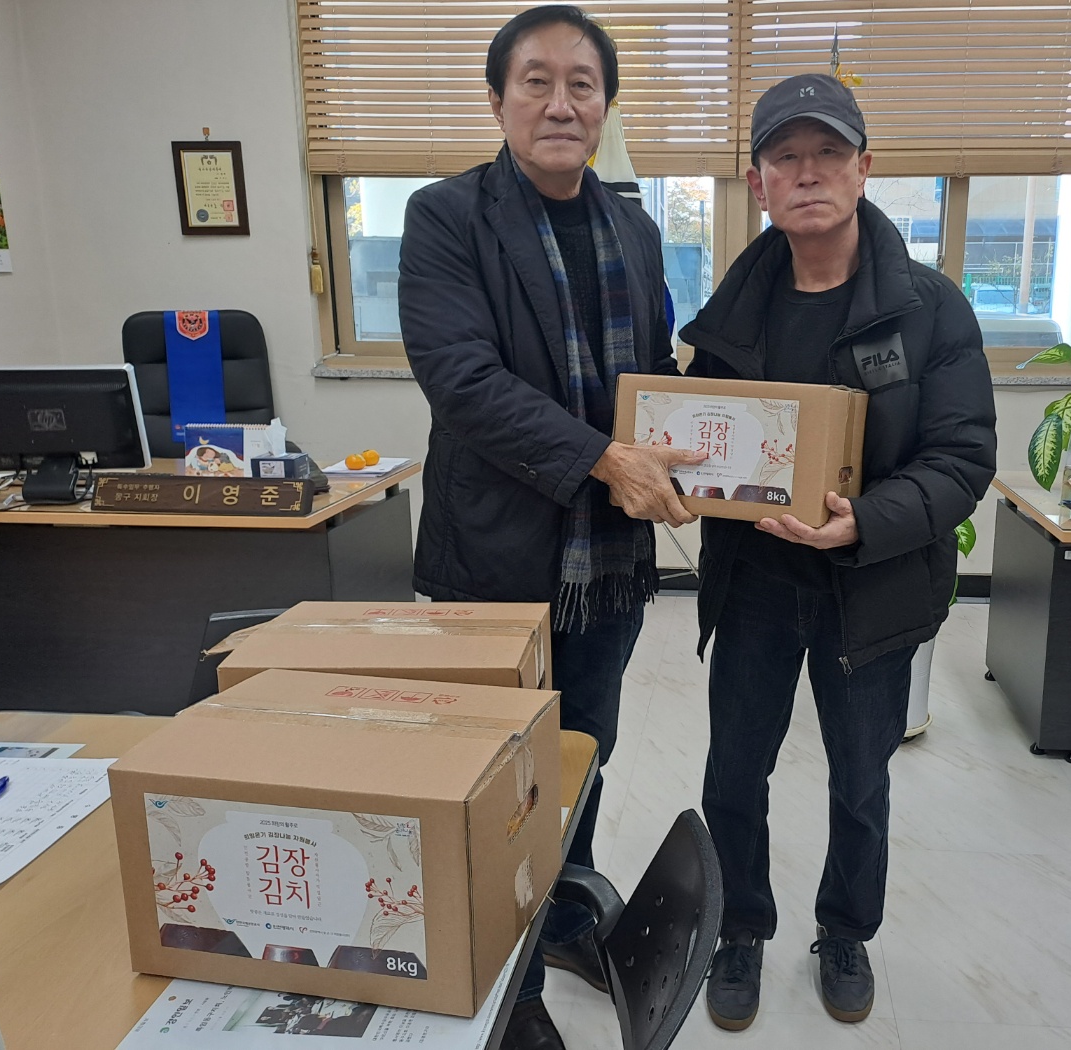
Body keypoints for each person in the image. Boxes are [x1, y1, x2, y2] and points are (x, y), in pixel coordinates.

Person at [397, 7, 703, 1048]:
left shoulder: (634, 228)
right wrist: (605, 459)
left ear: (604, 105)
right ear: (498, 101)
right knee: (492, 782)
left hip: (604, 562)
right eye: (536, 81)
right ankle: (510, 992)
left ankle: (560, 916)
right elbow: (462, 381)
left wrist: (716, 440)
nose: (560, 103)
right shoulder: (447, 216)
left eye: (582, 83)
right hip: (494, 560)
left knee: (582, 754)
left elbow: (650, 377)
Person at [679, 74, 998, 1029]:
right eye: (786, 157)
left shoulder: (930, 307)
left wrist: (865, 521)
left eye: (829, 154)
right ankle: (741, 927)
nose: (808, 173)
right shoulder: (732, 311)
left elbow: (962, 457)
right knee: (736, 770)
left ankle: (846, 930)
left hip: (874, 582)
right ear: (758, 182)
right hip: (756, 581)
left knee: (861, 777)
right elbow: (703, 433)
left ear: (865, 169)